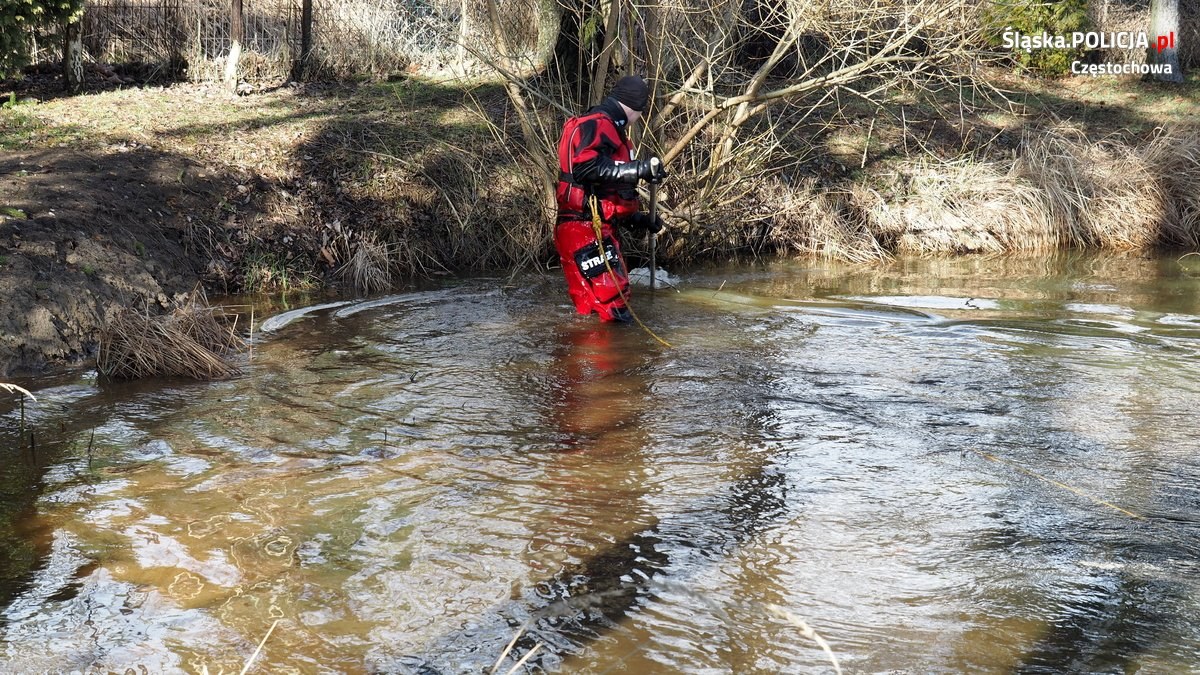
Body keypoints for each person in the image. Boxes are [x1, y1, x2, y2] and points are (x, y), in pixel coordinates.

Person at [554, 75, 668, 323]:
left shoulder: (603, 126)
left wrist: (638, 219)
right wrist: (638, 169)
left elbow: (603, 191)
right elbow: (585, 169)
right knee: (613, 306)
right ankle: (616, 360)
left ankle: (587, 359)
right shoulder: (600, 124)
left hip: (587, 228)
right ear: (636, 108)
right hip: (584, 230)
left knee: (594, 307)